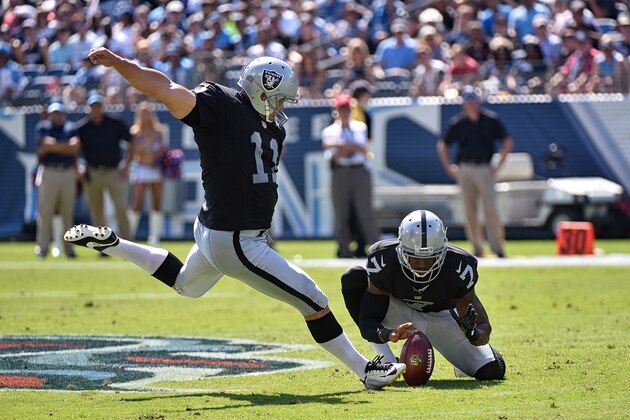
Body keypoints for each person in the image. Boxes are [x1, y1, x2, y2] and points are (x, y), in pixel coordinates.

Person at [64, 48, 406, 390]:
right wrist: (121, 64)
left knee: (186, 284)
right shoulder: (219, 104)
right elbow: (165, 88)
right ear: (260, 91)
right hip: (238, 238)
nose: (282, 108)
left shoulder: (272, 129)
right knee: (313, 299)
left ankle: (114, 243)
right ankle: (366, 370)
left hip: (215, 229)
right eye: (278, 99)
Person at [340, 210, 506, 381]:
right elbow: (368, 320)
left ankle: (461, 362)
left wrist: (473, 334)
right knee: (353, 278)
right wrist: (389, 334)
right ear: (401, 251)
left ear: (442, 252)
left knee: (492, 370)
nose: (421, 266)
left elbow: (484, 326)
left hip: (442, 318)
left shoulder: (459, 266)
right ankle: (387, 361)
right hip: (401, 314)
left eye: (429, 259)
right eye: (415, 258)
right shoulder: (383, 260)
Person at [436, 86, 513, 258]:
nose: (471, 104)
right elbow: (443, 144)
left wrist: (499, 162)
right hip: (465, 168)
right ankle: (477, 246)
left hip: (485, 167)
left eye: (474, 100)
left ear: (478, 101)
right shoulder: (458, 122)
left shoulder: (490, 119)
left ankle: (497, 246)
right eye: (468, 101)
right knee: (469, 210)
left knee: (490, 207)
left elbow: (507, 140)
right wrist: (449, 167)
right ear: (464, 103)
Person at [322, 93, 380, 259]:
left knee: (365, 212)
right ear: (337, 110)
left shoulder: (360, 126)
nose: (344, 112)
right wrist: (349, 147)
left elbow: (361, 148)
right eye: (341, 109)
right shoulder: (330, 130)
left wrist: (340, 146)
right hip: (340, 172)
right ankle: (344, 249)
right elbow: (333, 154)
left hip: (359, 171)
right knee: (341, 212)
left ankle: (376, 248)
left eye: (347, 108)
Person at [77, 94, 133, 245]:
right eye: (93, 106)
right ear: (89, 108)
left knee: (121, 208)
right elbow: (75, 150)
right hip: (93, 172)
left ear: (103, 106)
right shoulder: (82, 127)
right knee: (96, 211)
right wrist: (80, 166)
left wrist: (126, 165)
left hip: (114, 171)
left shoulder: (115, 123)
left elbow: (131, 142)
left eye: (98, 106)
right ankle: (102, 246)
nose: (96, 109)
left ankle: (128, 245)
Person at [35, 102, 80, 259]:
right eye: (54, 113)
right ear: (50, 114)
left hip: (67, 172)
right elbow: (43, 146)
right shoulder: (43, 127)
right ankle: (42, 248)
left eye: (59, 113)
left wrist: (53, 145)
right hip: (49, 171)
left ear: (63, 113)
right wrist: (65, 146)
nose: (57, 116)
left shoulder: (71, 127)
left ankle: (69, 248)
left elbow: (74, 147)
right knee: (45, 211)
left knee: (68, 211)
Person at [127, 100, 166, 246]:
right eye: (143, 113)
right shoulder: (135, 131)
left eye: (148, 113)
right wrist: (146, 147)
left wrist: (152, 150)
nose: (146, 116)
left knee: (156, 203)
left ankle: (154, 237)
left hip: (155, 169)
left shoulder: (159, 131)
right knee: (137, 203)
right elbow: (134, 151)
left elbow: (163, 150)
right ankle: (129, 235)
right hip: (140, 169)